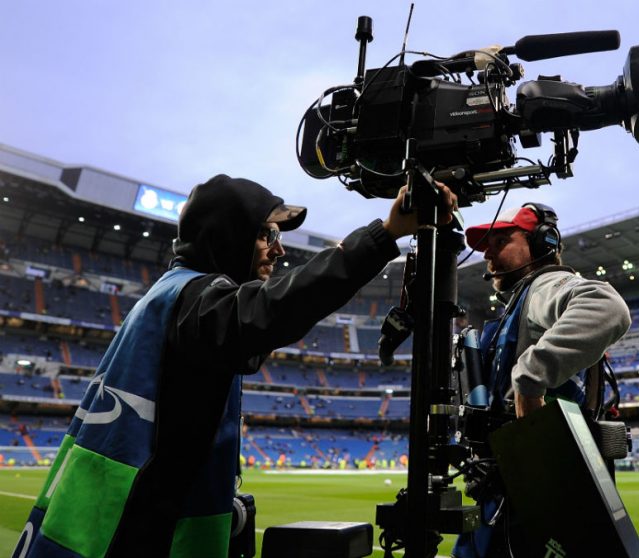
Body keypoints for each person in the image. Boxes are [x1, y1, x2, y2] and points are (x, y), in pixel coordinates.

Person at [14, 174, 456, 557]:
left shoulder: (175, 297)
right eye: (267, 235)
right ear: (228, 236)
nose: (279, 250)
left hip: (113, 512)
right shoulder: (194, 301)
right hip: (123, 530)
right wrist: (384, 234)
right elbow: (275, 311)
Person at [452, 203, 631, 558]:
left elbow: (608, 306)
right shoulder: (520, 302)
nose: (489, 254)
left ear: (542, 243)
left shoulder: (544, 284)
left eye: (500, 241)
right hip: (510, 485)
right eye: (486, 247)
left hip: (531, 488)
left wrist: (530, 378)